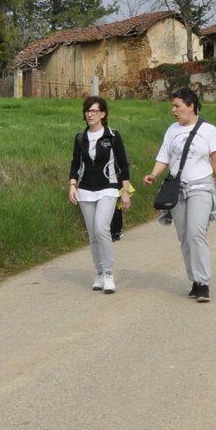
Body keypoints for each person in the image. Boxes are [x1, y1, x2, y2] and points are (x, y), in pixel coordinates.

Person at [143, 87, 216, 302]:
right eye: (173, 106)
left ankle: (204, 282)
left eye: (177, 106)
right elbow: (164, 157)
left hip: (201, 186)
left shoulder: (208, 130)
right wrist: (153, 174)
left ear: (191, 106)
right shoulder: (172, 130)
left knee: (196, 232)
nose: (174, 110)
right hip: (177, 189)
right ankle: (195, 280)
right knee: (184, 237)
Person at [67, 96, 133, 294]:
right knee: (93, 235)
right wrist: (72, 185)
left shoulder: (113, 136)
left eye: (95, 111)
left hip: (108, 188)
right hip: (86, 190)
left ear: (103, 114)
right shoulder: (81, 138)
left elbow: (122, 163)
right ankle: (98, 272)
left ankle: (109, 274)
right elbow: (75, 164)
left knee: (101, 228)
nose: (90, 114)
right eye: (88, 110)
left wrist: (126, 192)